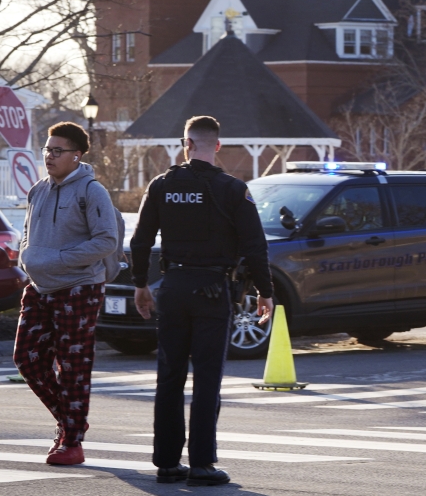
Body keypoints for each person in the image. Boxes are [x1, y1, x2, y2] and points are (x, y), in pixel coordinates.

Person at [131, 115, 273, 487]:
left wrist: (140, 284)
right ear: (218, 146)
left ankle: (166, 462)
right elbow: (256, 246)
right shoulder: (232, 189)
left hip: (173, 287)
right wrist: (265, 292)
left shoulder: (161, 186)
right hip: (212, 290)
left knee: (170, 375)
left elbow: (141, 240)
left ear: (186, 144)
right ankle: (202, 465)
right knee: (207, 378)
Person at [15, 122, 119, 465]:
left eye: (57, 151)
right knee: (26, 357)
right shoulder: (38, 191)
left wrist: (60, 260)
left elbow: (106, 241)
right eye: (46, 149)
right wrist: (26, 257)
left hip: (79, 287)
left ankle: (71, 442)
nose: (49, 156)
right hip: (40, 286)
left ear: (77, 156)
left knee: (73, 365)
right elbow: (27, 232)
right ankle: (71, 419)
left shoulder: (92, 191)